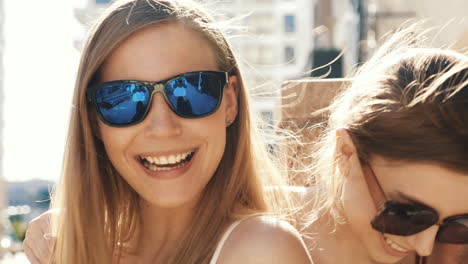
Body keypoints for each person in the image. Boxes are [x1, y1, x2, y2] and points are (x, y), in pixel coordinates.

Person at [22, 0, 312, 263]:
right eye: (124, 99)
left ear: (230, 101)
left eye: (190, 90)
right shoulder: (72, 251)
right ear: (93, 121)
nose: (163, 128)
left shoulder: (264, 249)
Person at [294, 26, 468, 264]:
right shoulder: (257, 241)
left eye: (459, 225)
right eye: (406, 215)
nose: (425, 247)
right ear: (346, 153)